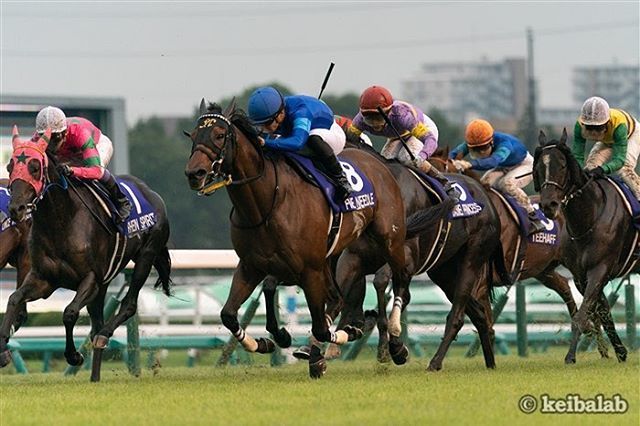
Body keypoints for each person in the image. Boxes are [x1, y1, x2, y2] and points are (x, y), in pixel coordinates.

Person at [347, 85, 459, 201]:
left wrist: (422, 156)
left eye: (378, 118)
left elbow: (430, 139)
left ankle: (444, 183)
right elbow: (349, 140)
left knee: (407, 158)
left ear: (388, 112)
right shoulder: (359, 121)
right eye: (369, 119)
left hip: (423, 129)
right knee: (384, 164)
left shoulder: (402, 116)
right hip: (397, 135)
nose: (375, 124)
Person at [247, 86, 353, 200]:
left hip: (331, 133)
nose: (264, 128)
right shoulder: (275, 111)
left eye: (267, 123)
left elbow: (298, 142)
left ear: (280, 114)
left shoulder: (301, 112)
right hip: (303, 130)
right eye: (260, 125)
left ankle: (341, 178)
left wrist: (266, 143)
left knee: (312, 139)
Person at [33, 106, 132, 223]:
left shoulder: (79, 133)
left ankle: (121, 201)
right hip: (69, 154)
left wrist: (73, 170)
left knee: (95, 174)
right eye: (46, 138)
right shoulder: (36, 139)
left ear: (64, 133)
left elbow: (96, 170)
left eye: (55, 138)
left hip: (96, 145)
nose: (50, 145)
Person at [449, 119, 546, 235]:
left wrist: (469, 164)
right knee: (483, 185)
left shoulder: (505, 144)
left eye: (483, 147)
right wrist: (447, 161)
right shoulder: (474, 141)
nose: (480, 152)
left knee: (507, 183)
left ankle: (533, 217)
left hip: (524, 165)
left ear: (491, 142)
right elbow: (454, 154)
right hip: (504, 165)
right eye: (475, 149)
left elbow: (493, 162)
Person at [573, 96, 640, 202]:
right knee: (590, 168)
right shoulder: (579, 126)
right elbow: (577, 156)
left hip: (631, 136)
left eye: (598, 127)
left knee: (624, 169)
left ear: (607, 122)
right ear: (583, 123)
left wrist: (603, 169)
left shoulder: (619, 126)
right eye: (590, 127)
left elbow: (619, 160)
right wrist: (578, 173)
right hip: (607, 139)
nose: (594, 132)